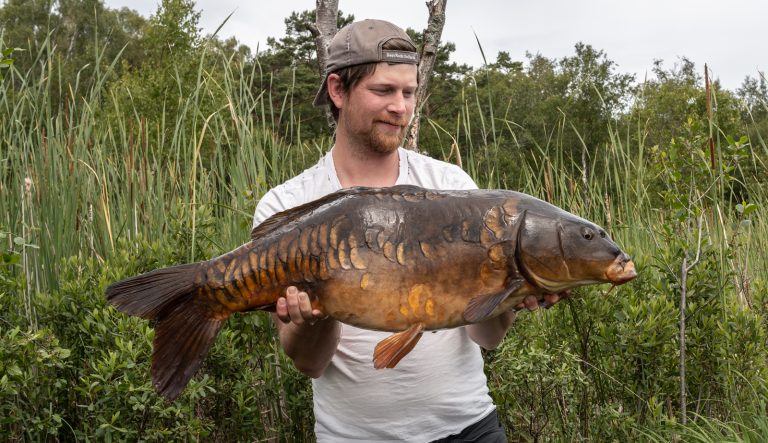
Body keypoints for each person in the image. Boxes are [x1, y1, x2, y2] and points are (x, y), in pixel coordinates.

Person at [252, 19, 563, 443]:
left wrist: (515, 288)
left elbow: (487, 337)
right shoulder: (288, 206)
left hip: (469, 428)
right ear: (337, 90)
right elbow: (309, 364)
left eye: (409, 92)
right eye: (383, 91)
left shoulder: (454, 187)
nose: (400, 107)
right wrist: (312, 317)